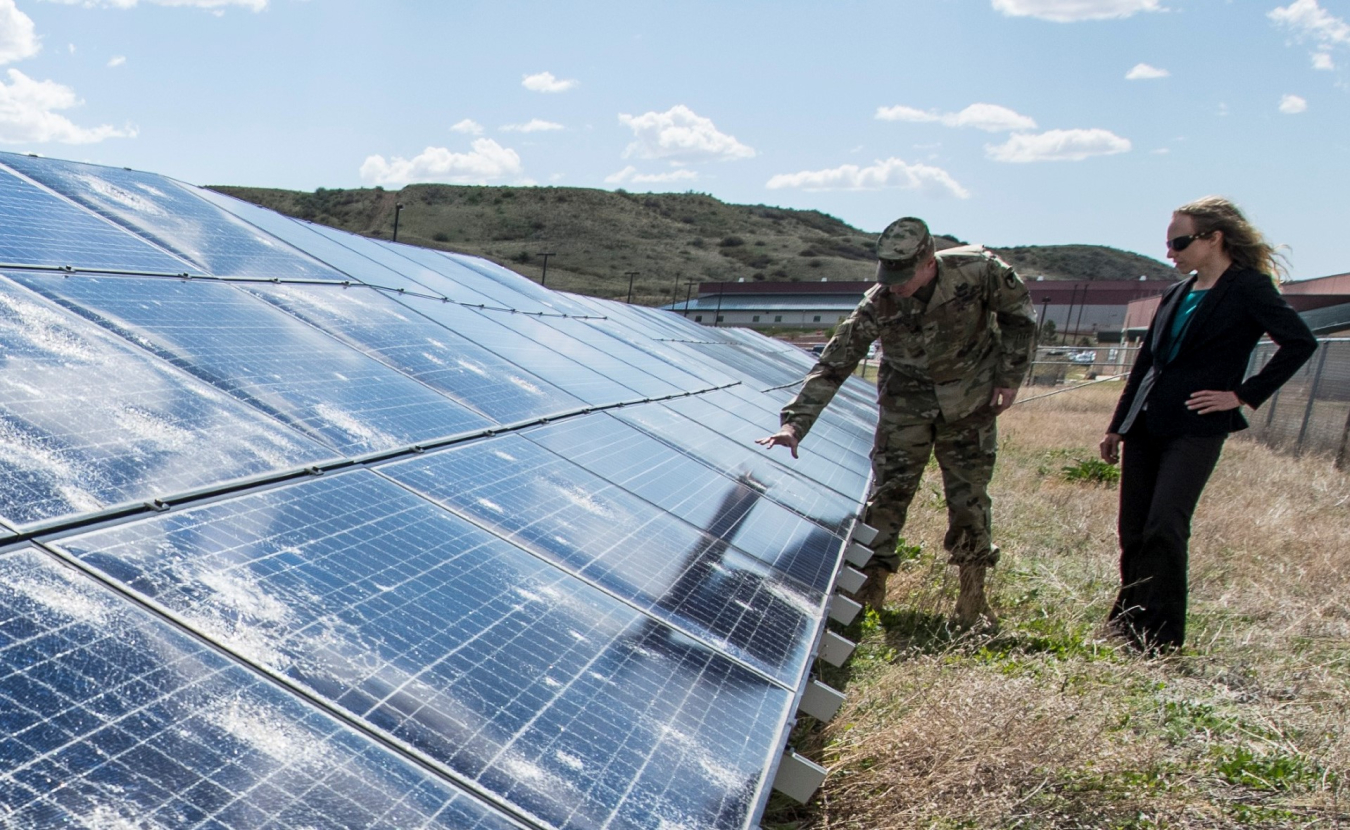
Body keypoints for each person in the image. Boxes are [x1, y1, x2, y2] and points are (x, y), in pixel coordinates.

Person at [757, 217, 1036, 625]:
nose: (897, 285)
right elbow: (835, 363)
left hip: (969, 402)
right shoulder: (878, 302)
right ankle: (871, 586)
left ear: (928, 262)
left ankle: (972, 594)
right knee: (888, 493)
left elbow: (1020, 319)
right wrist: (794, 423)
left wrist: (1008, 379)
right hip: (905, 405)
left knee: (969, 497)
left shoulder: (981, 271)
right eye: (889, 277)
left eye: (904, 276)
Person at [1100, 196, 1316, 654]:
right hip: (1145, 424)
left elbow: (1299, 343)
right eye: (1168, 244)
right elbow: (1146, 363)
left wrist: (1242, 394)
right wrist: (1118, 424)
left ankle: (1160, 638)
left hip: (1197, 426)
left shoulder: (1248, 288)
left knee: (1165, 525)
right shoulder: (1177, 292)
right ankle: (1129, 619)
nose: (1171, 253)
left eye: (1178, 242)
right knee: (1133, 529)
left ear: (1213, 238)